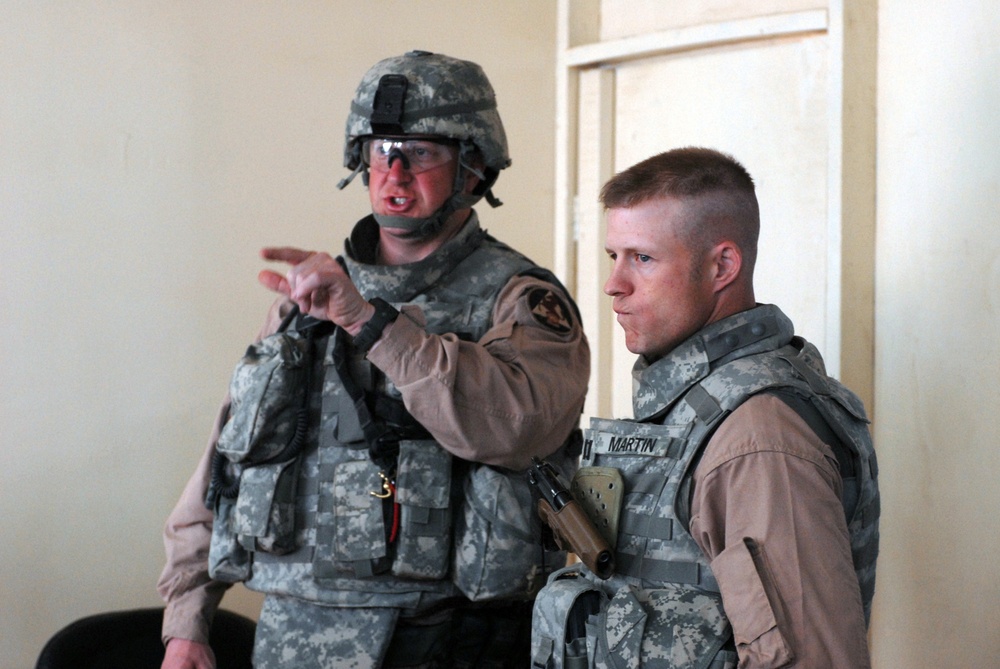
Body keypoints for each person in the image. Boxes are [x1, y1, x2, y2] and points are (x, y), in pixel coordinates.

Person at [157, 50, 590, 669]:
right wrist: (186, 621)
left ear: (473, 168)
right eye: (380, 150)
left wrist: (367, 320)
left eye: (421, 153)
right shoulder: (309, 298)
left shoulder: (519, 300)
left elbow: (513, 430)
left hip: (444, 638)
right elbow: (225, 463)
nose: (394, 173)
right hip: (292, 636)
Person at [530, 148, 879, 668]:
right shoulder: (696, 407)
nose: (614, 284)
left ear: (722, 266)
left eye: (642, 258)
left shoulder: (759, 438)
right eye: (613, 256)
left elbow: (813, 657)